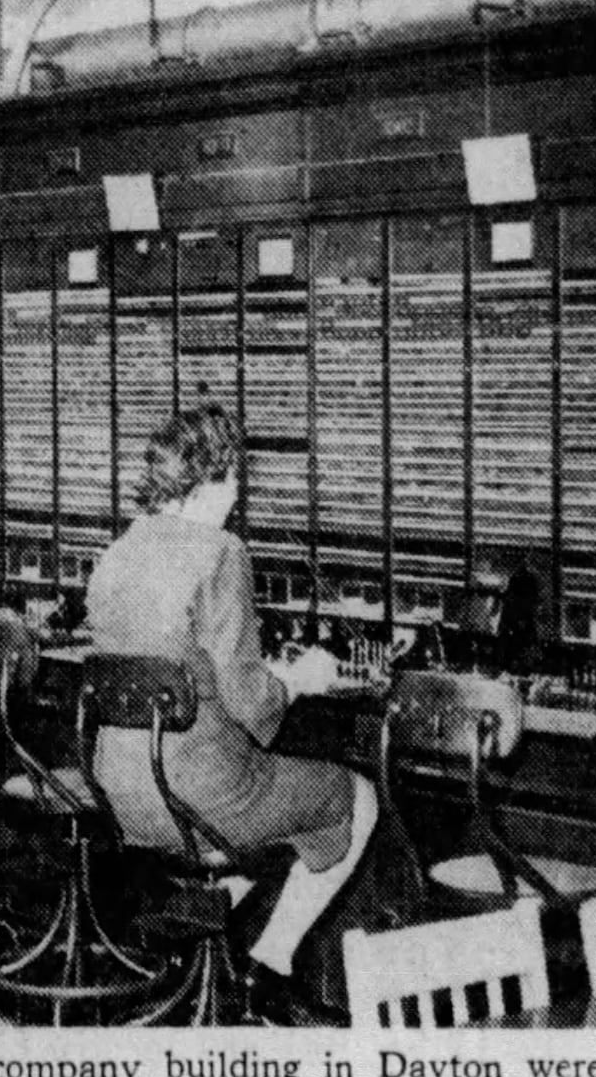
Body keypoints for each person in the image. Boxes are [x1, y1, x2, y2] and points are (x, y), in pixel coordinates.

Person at [83, 404, 378, 981]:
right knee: (356, 797)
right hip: (203, 795)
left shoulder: (115, 555)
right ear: (212, 476)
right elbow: (250, 703)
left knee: (244, 852)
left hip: (119, 791)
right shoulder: (220, 553)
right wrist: (298, 679)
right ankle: (270, 961)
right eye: (235, 476)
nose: (239, 494)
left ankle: (203, 952)